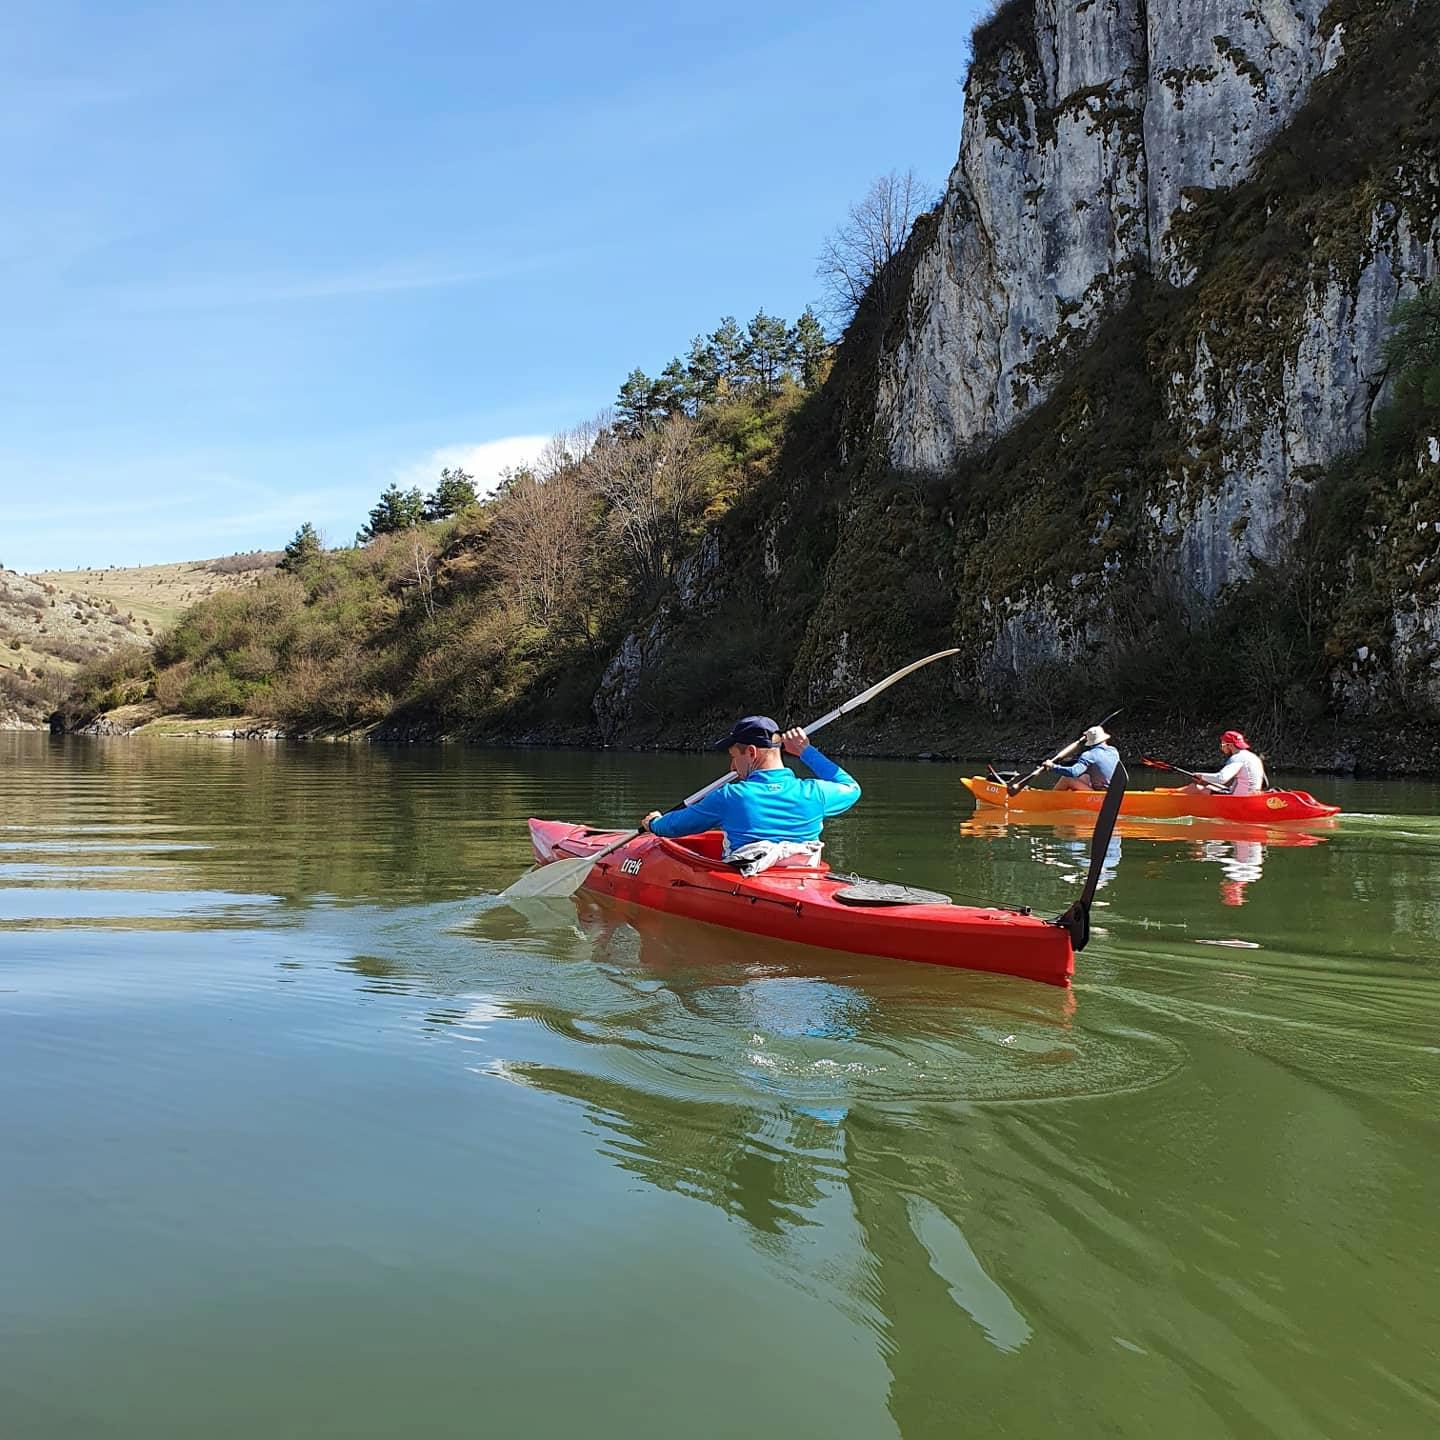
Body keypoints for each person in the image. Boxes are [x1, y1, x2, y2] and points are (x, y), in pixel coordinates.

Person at [640, 715, 861, 874]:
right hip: (803, 879)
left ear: (752, 752)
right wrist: (806, 751)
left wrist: (655, 823)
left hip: (746, 880)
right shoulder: (815, 793)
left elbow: (675, 827)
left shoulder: (731, 796)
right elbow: (851, 787)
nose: (732, 767)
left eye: (734, 756)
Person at [1186, 729, 1266, 795]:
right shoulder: (1253, 757)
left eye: (1223, 744)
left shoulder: (1237, 758)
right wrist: (1205, 780)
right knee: (1207, 784)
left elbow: (1222, 778)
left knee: (1194, 787)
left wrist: (1201, 776)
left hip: (1239, 798)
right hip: (1253, 794)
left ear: (1230, 745)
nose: (1222, 747)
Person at [1044, 725, 1119, 792]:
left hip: (1101, 794)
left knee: (1066, 779)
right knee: (1084, 776)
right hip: (1113, 791)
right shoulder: (1113, 750)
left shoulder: (1089, 755)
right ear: (1104, 739)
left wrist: (1053, 767)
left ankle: (1050, 800)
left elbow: (1073, 772)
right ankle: (1069, 799)